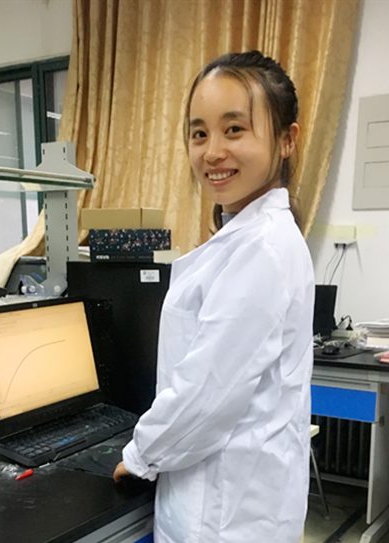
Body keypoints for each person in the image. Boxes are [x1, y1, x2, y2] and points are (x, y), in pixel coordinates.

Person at [113, 50, 314, 543]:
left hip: (224, 515)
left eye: (234, 129)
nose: (212, 152)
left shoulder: (262, 248)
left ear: (287, 140)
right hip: (232, 500)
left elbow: (206, 395)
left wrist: (138, 457)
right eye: (199, 133)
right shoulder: (250, 238)